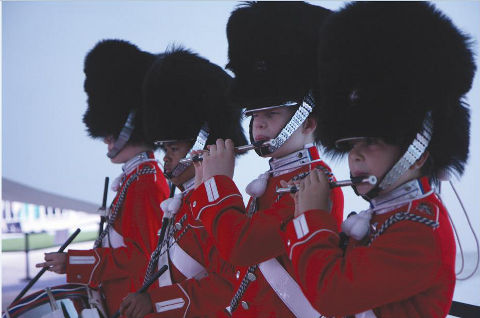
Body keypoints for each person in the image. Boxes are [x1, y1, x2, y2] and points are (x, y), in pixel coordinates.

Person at [281, 2, 476, 317]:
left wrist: (312, 217)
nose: (354, 154)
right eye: (351, 143)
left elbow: (333, 294)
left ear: (417, 155)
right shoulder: (392, 216)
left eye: (371, 142)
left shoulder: (419, 232)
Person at [189, 2, 344, 317]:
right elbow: (221, 256)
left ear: (308, 122)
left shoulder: (313, 182)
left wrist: (218, 182)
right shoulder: (274, 180)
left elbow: (242, 247)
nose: (258, 124)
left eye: (271, 114)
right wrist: (204, 183)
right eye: (254, 114)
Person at [36, 39, 170, 317]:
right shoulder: (135, 177)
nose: (107, 138)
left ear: (132, 126)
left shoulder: (146, 181)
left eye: (112, 130)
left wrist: (75, 261)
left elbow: (141, 258)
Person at [118, 48, 248, 318]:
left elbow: (227, 287)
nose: (165, 158)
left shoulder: (213, 208)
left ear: (200, 147)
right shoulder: (185, 205)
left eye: (174, 149)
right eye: (165, 149)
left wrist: (156, 303)